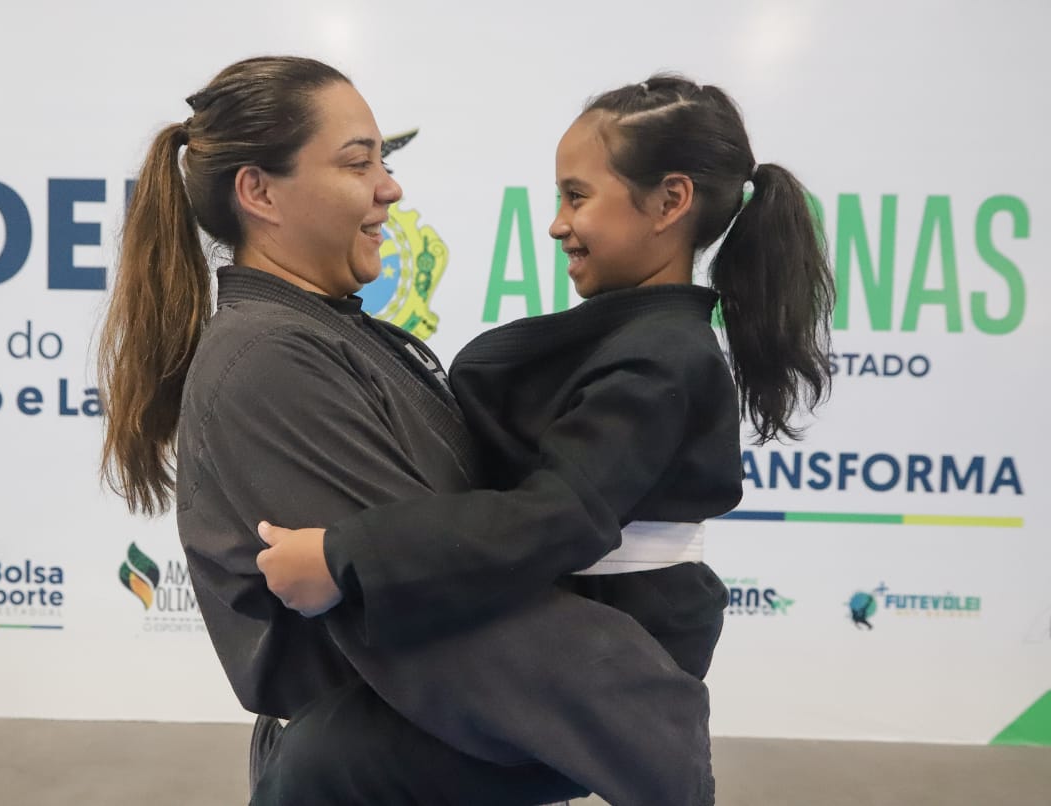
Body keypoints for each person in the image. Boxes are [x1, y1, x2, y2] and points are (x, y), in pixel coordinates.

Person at [99, 57, 717, 806]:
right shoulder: (269, 361)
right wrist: (643, 715)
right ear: (259, 191)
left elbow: (453, 562)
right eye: (359, 163)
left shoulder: (329, 334)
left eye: (384, 163)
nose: (389, 187)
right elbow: (444, 611)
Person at [256, 72, 834, 794]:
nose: (558, 223)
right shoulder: (638, 342)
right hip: (577, 628)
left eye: (577, 197)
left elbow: (556, 516)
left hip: (609, 651)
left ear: (670, 201)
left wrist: (344, 556)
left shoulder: (664, 360)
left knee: (322, 763)